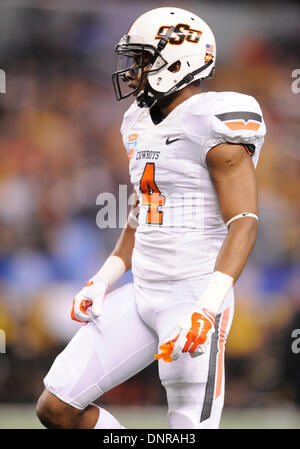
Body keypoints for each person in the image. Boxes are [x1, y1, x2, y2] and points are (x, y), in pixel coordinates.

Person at [36, 6, 266, 429]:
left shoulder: (213, 120)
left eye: (142, 60)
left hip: (193, 297)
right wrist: (104, 277)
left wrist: (207, 309)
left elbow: (245, 222)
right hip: (142, 291)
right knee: (56, 407)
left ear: (178, 62)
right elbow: (143, 208)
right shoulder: (137, 120)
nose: (131, 72)